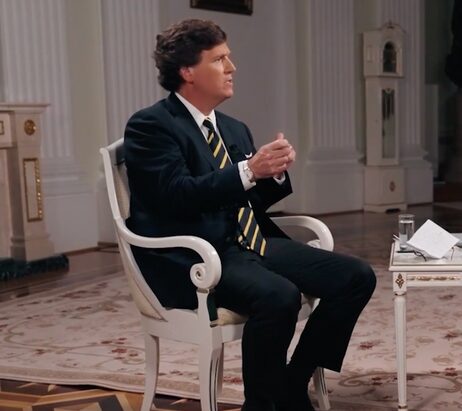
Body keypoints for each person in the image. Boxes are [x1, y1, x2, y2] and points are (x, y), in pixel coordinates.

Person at [124, 19, 376, 411]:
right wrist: (248, 171)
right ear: (187, 71)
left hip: (250, 241)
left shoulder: (233, 128)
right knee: (279, 296)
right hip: (196, 256)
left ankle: (292, 383)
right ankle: (261, 404)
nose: (232, 67)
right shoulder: (151, 126)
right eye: (219, 59)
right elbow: (176, 196)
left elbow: (249, 199)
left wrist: (273, 173)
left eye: (229, 57)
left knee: (356, 277)